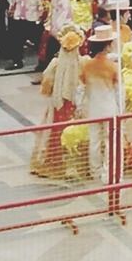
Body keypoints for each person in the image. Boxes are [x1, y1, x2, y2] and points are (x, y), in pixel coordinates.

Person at [30, 26, 84, 178]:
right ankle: (72, 166)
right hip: (75, 104)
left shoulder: (55, 63)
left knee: (54, 131)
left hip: (56, 104)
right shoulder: (82, 62)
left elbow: (46, 86)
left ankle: (53, 161)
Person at [81, 26, 122, 183]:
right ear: (107, 45)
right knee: (110, 141)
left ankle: (94, 171)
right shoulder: (112, 67)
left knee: (94, 140)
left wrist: (80, 106)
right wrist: (121, 109)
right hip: (109, 108)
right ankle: (108, 173)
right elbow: (118, 91)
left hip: (93, 107)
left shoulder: (87, 66)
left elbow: (81, 88)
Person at [9, 0, 46, 70]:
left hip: (32, 13)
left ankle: (42, 62)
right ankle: (17, 61)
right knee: (16, 39)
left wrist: (40, 13)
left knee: (37, 39)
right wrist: (12, 8)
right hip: (19, 13)